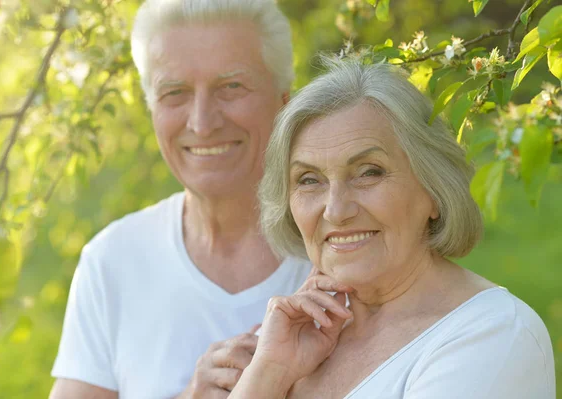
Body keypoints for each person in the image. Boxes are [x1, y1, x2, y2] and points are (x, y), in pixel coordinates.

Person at [228, 59, 556, 398]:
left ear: (433, 189)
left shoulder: (493, 335)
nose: (336, 210)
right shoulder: (289, 341)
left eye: (369, 172)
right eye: (309, 180)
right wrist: (268, 373)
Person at [49, 1, 311, 398]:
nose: (203, 122)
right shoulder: (113, 262)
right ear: (151, 107)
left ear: (283, 100)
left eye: (232, 87)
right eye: (175, 93)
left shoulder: (340, 248)